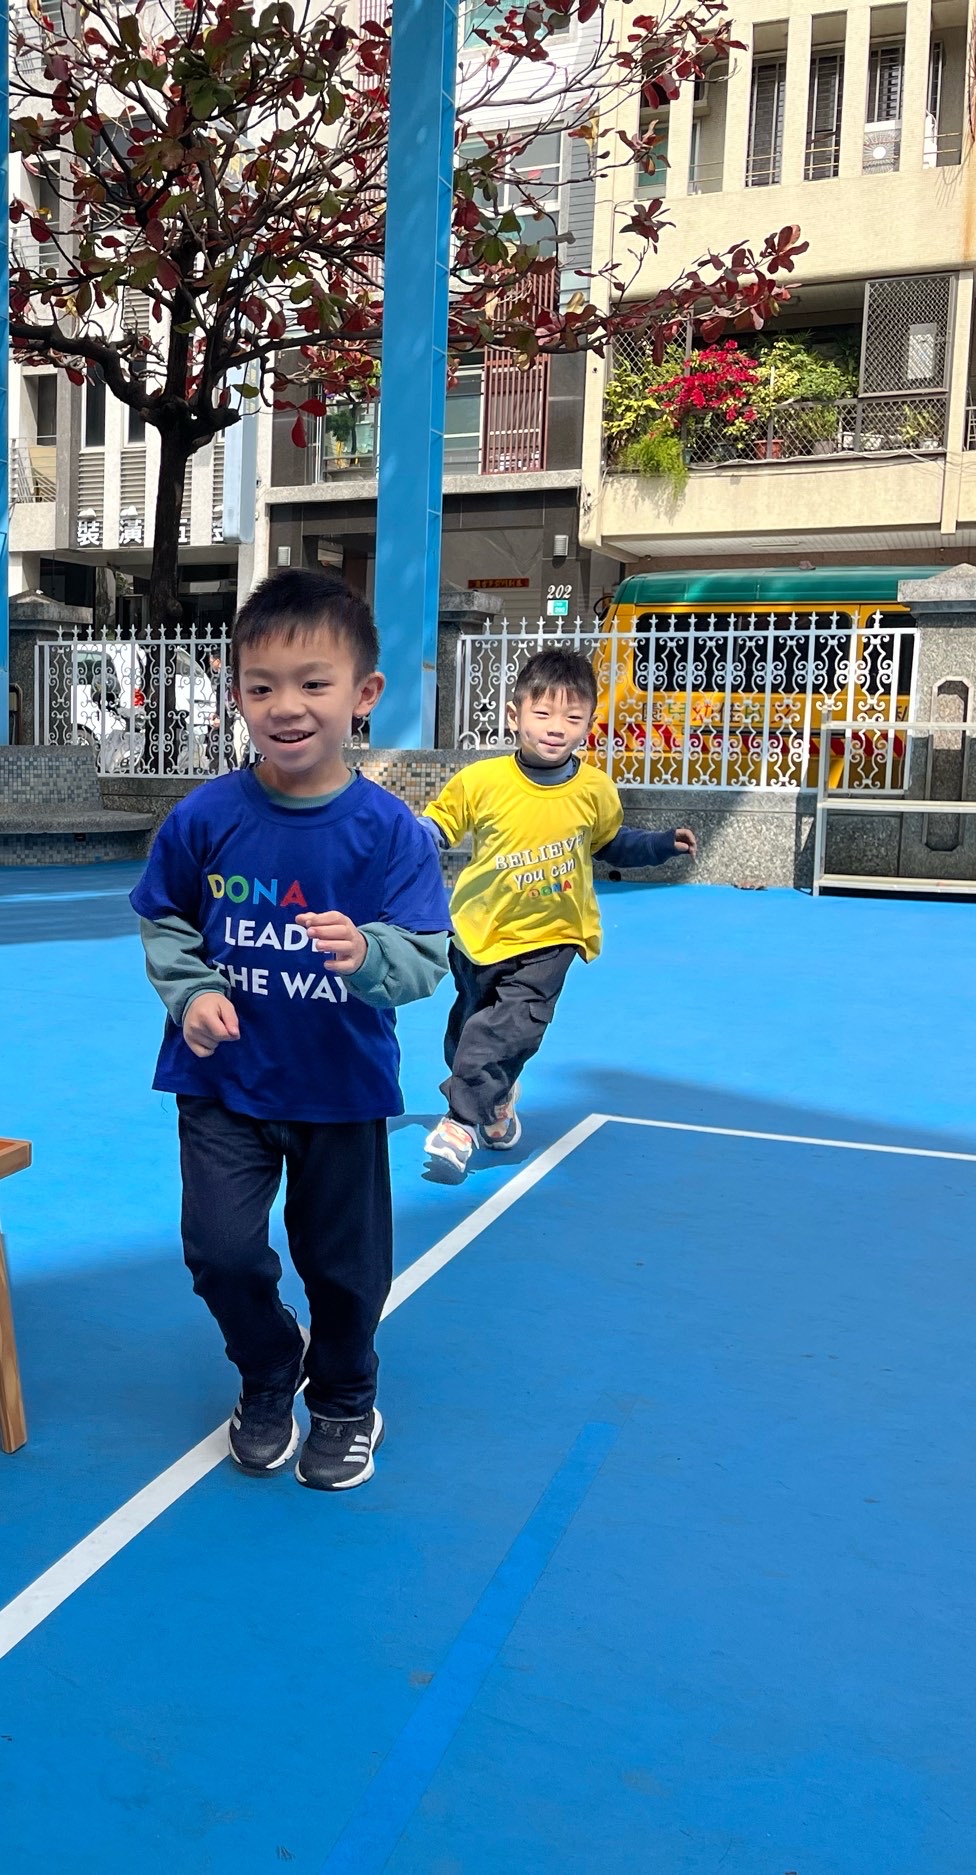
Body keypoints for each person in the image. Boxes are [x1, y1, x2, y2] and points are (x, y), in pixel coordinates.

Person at [129, 569, 452, 1490]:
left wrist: (371, 952)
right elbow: (165, 919)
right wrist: (191, 994)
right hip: (222, 1081)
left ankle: (346, 1397)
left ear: (364, 693)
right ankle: (271, 1365)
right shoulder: (204, 817)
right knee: (220, 1251)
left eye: (314, 683)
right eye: (262, 685)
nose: (287, 706)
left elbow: (426, 955)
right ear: (236, 692)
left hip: (339, 1087)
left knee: (346, 1267)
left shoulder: (390, 832)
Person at [417, 647, 697, 1183]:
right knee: (468, 1030)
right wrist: (397, 840)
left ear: (588, 725)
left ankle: (460, 1123)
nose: (555, 728)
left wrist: (660, 844)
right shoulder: (481, 781)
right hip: (479, 933)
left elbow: (611, 842)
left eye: (572, 717)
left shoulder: (594, 789)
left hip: (553, 937)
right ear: (514, 714)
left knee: (508, 1030)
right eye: (543, 713)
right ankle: (495, 1099)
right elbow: (436, 829)